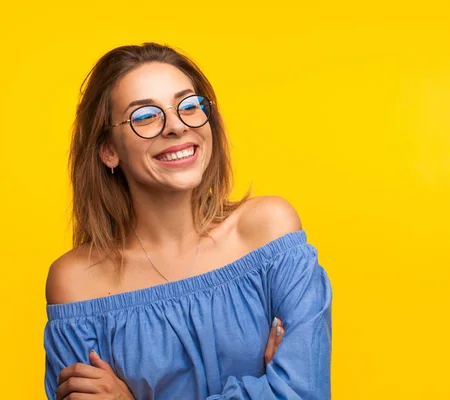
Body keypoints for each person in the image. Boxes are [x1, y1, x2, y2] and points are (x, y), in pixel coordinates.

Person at [44, 42, 333, 399]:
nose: (177, 126)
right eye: (145, 116)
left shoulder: (268, 229)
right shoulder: (75, 282)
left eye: (189, 106)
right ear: (108, 150)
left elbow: (304, 393)